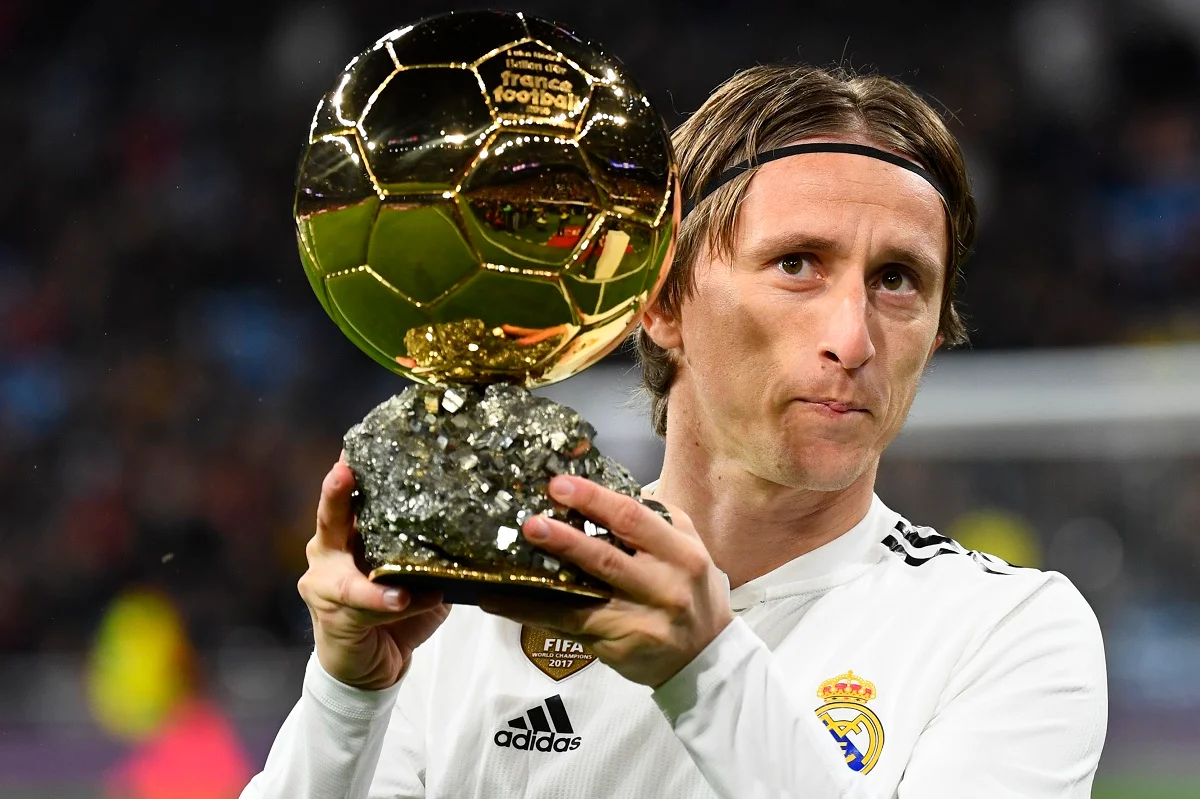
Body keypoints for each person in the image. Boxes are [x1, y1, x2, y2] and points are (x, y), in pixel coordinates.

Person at [242, 64, 1107, 798]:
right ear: (659, 301)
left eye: (897, 279)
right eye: (797, 264)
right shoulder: (470, 609)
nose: (853, 338)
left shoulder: (1005, 632)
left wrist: (705, 667)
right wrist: (346, 698)